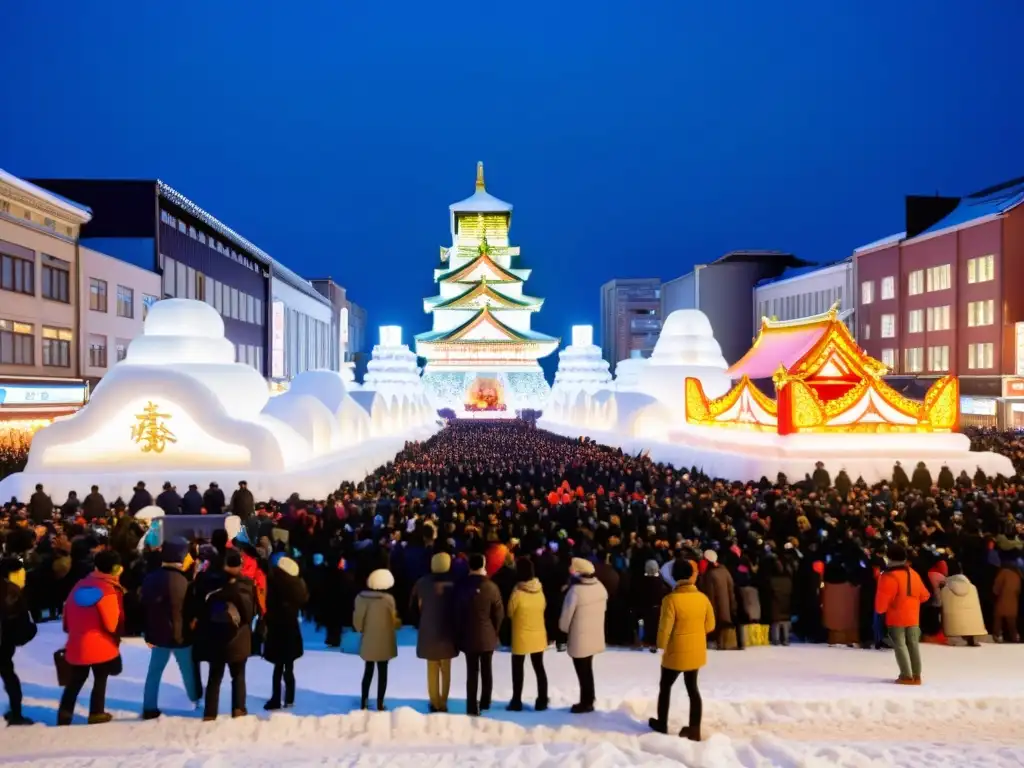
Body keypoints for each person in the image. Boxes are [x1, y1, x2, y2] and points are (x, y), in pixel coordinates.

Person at [58, 550, 125, 725]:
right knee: (100, 677)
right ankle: (96, 713)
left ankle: (64, 715)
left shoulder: (79, 585)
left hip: (77, 643)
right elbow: (112, 624)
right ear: (116, 568)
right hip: (101, 645)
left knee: (76, 680)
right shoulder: (108, 590)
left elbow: (66, 617)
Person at [649, 559, 714, 741]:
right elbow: (710, 625)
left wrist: (660, 645)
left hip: (675, 653)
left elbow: (665, 629)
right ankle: (695, 729)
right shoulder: (702, 598)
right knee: (693, 689)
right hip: (695, 652)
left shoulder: (670, 600)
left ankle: (662, 723)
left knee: (665, 686)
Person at [140, 537, 200, 719]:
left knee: (154, 672)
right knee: (188, 671)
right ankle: (196, 699)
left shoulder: (150, 578)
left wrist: (147, 634)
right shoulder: (185, 582)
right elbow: (192, 609)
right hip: (183, 636)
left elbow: (144, 608)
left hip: (158, 635)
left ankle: (149, 707)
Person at [193, 549, 256, 720]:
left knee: (214, 676)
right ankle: (238, 708)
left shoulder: (208, 582)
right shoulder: (246, 584)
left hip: (214, 635)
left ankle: (210, 712)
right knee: (238, 675)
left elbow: (199, 609)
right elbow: (251, 613)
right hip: (239, 636)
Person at [455, 552, 503, 716]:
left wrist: (459, 632)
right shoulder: (491, 586)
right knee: (487, 669)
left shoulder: (461, 586)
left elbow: (457, 612)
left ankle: (471, 705)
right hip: (487, 634)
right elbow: (498, 613)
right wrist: (495, 631)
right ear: (483, 565)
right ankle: (485, 700)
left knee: (472, 671)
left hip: (468, 635)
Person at [874, 544, 930, 684]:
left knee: (900, 645)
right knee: (913, 644)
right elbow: (925, 595)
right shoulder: (913, 573)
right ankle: (917, 676)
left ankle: (906, 675)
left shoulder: (889, 576)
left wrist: (880, 611)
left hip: (896, 617)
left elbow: (882, 601)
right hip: (913, 617)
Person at [559, 557, 608, 714]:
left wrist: (562, 631)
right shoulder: (600, 587)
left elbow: (565, 619)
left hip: (580, 638)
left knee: (583, 670)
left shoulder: (575, 591)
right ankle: (589, 698)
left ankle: (586, 702)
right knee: (588, 669)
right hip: (595, 635)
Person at [411, 552, 457, 713]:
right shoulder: (454, 583)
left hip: (428, 630)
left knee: (431, 669)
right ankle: (443, 702)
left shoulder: (422, 583)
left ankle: (434, 701)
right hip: (448, 632)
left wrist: (421, 622)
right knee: (446, 669)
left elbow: (413, 607)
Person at [263, 556, 309, 710]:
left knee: (278, 666)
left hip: (276, 628)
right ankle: (289, 697)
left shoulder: (273, 581)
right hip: (290, 627)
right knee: (289, 666)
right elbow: (304, 598)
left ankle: (276, 698)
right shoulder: (295, 585)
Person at [353, 568, 399, 711]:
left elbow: (357, 623)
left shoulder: (360, 598)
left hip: (368, 639)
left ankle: (364, 701)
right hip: (385, 640)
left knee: (368, 670)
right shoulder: (389, 600)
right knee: (383, 672)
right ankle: (380, 703)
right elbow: (394, 621)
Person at [506, 557, 548, 712]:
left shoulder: (517, 592)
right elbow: (543, 607)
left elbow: (510, 612)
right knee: (539, 667)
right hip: (538, 634)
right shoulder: (539, 590)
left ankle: (516, 700)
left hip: (521, 635)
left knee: (518, 668)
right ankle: (542, 700)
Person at [0, 557, 37, 725]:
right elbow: (21, 623)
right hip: (4, 643)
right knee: (9, 676)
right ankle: (16, 713)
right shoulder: (12, 591)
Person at [939, 565, 986, 647]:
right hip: (973, 627)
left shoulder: (946, 589)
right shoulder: (972, 588)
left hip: (954, 629)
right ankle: (973, 639)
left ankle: (957, 639)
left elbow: (943, 608)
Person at [701, 550, 738, 650]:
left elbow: (710, 595)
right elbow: (731, 590)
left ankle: (716, 642)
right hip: (727, 607)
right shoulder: (725, 571)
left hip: (715, 609)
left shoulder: (709, 575)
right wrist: (732, 605)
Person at [636, 560, 671, 650]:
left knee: (647, 627)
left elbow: (639, 596)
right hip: (659, 608)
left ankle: (647, 641)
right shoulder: (662, 582)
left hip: (647, 609)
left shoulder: (642, 582)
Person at [992, 552, 1021, 643]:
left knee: (998, 617)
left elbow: (997, 585)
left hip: (1002, 600)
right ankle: (1015, 637)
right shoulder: (1018, 575)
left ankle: (998, 635)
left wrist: (995, 592)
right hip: (1013, 602)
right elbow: (1018, 590)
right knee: (1011, 621)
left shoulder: (1003, 572)